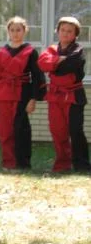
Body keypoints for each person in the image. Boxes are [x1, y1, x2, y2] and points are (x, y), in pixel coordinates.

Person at [0, 16, 47, 169]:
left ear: (24, 31)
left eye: (19, 30)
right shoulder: (1, 52)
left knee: (21, 129)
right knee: (4, 129)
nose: (15, 33)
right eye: (12, 30)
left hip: (22, 95)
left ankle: (23, 163)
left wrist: (33, 99)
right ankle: (8, 162)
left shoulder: (30, 52)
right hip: (3, 93)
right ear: (8, 32)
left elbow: (37, 77)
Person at [37, 16, 90, 172]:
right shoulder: (51, 49)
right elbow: (41, 64)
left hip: (73, 96)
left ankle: (82, 165)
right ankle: (62, 164)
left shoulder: (78, 50)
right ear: (57, 31)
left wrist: (53, 64)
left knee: (75, 130)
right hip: (55, 96)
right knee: (57, 130)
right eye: (63, 30)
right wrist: (58, 60)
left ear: (75, 34)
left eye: (70, 31)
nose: (66, 34)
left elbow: (70, 66)